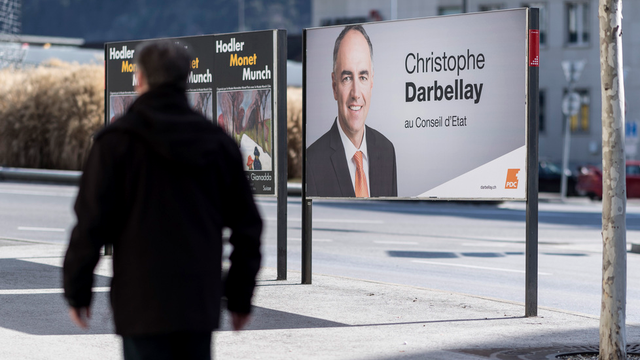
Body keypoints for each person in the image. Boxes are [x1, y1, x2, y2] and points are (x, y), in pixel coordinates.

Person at [63, 40, 262, 360]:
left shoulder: (115, 143)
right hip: (198, 303)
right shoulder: (218, 143)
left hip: (140, 303)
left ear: (139, 79)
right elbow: (248, 227)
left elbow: (90, 225)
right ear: (186, 80)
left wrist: (77, 291)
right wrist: (240, 296)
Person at [307, 24, 397, 198]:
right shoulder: (312, 162)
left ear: (371, 82)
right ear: (334, 86)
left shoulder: (387, 151)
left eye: (362, 77)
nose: (356, 94)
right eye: (347, 78)